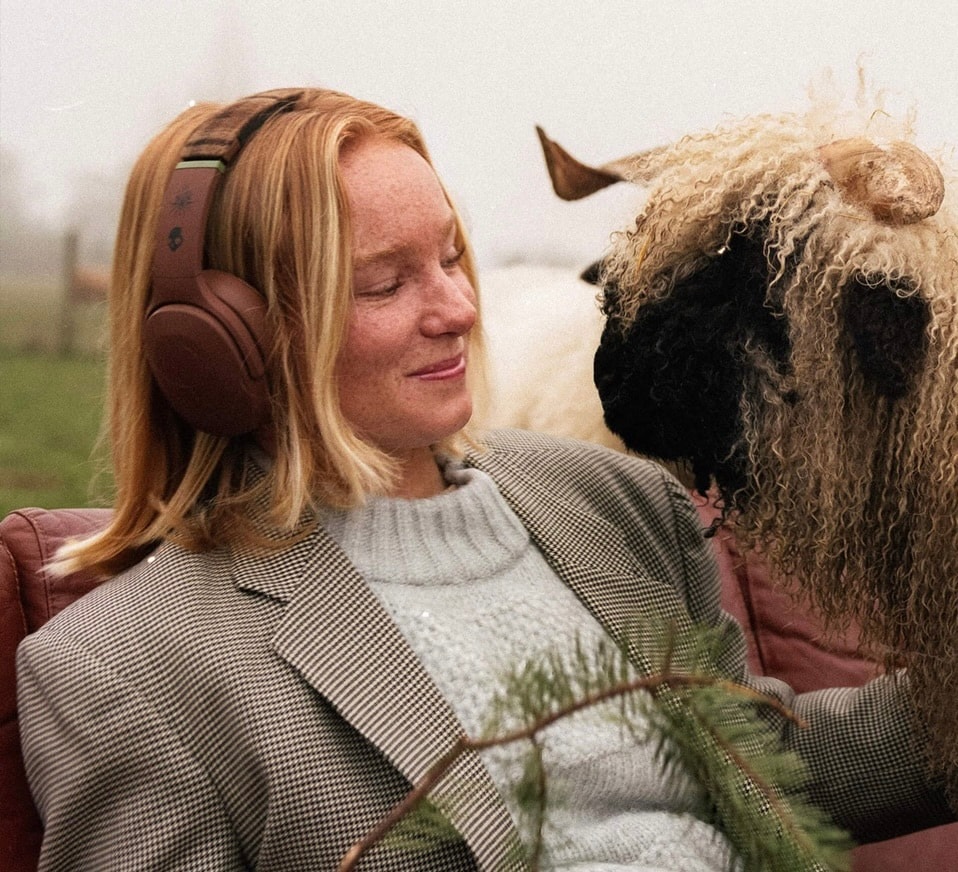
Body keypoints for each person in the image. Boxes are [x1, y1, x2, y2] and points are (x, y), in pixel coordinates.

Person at [16, 87, 955, 871]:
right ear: (220, 344)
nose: (459, 307)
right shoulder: (123, 671)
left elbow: (755, 763)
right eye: (386, 283)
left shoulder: (614, 501)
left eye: (451, 256)